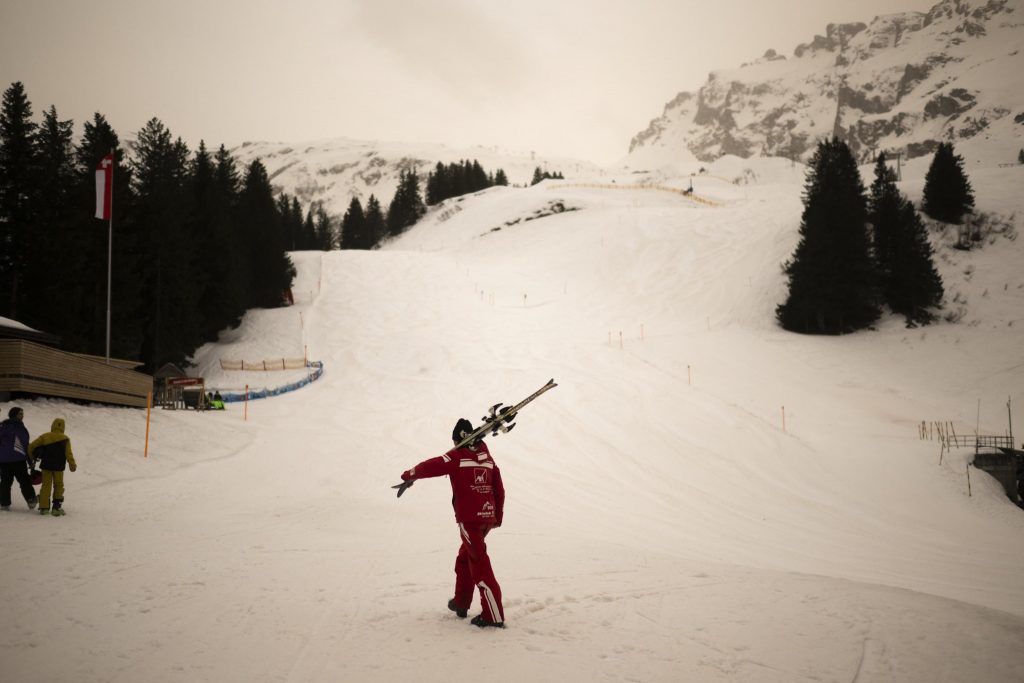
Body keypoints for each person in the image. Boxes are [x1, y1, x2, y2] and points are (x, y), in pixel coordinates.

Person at [399, 418, 506, 628]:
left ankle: (493, 616)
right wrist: (496, 517)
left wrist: (409, 475)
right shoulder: (487, 458)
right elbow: (499, 489)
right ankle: (461, 602)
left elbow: (431, 465)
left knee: (480, 565)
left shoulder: (456, 457)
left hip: (470, 521)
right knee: (465, 559)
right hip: (486, 518)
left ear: (458, 439)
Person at [28, 417, 76, 516]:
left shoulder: (45, 437)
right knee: (58, 485)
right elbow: (69, 454)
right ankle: (56, 508)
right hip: (59, 467)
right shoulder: (65, 439)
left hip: (46, 466)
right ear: (63, 427)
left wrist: (32, 458)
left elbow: (31, 447)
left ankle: (44, 508)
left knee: (46, 485)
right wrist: (72, 464)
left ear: (53, 426)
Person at [0, 406, 38, 511]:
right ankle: (31, 500)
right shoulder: (19, 427)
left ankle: (4, 503)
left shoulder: (3, 426)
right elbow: (25, 446)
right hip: (18, 459)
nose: (22, 415)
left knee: (5, 482)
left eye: (22, 413)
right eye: (20, 413)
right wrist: (30, 462)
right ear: (15, 415)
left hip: (4, 460)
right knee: (24, 480)